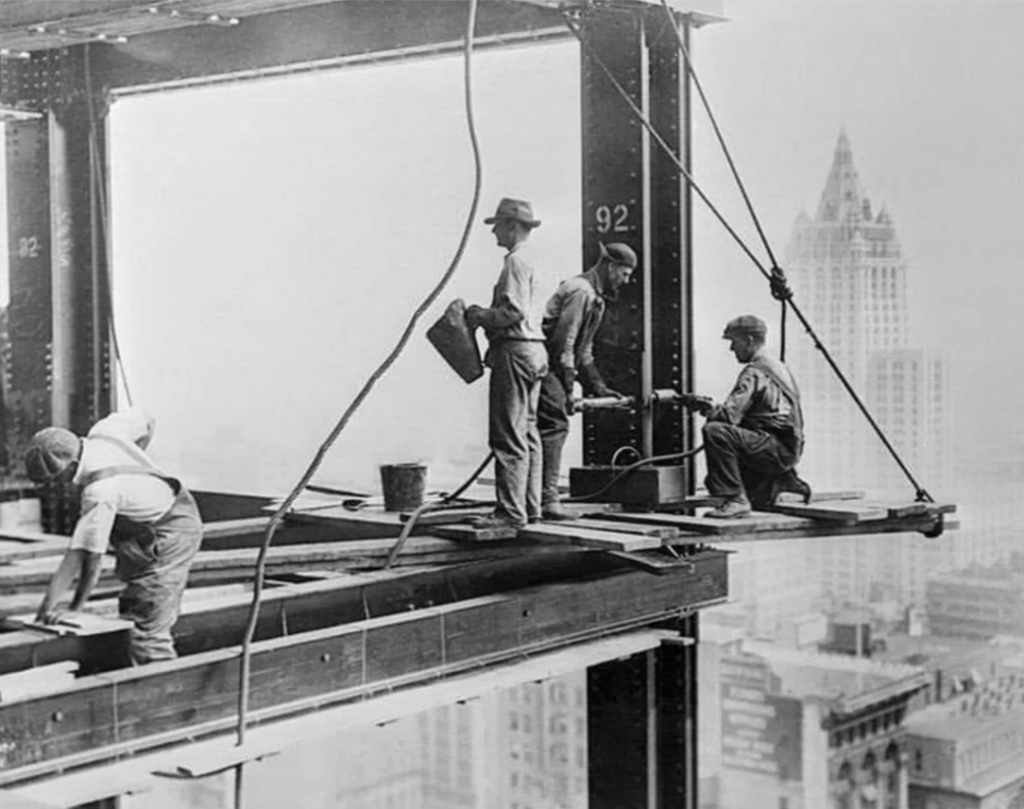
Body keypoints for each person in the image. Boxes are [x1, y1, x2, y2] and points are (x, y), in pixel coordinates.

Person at [26, 409, 203, 665]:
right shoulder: (105, 432)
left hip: (172, 532)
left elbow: (91, 562)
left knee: (145, 625)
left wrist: (74, 609)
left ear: (72, 467)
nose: (55, 487)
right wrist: (45, 610)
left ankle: (164, 687)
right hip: (169, 512)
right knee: (139, 602)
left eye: (54, 480)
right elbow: (147, 419)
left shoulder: (99, 492)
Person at [537, 242, 637, 520]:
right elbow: (563, 345)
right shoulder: (581, 291)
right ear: (611, 266)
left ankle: (536, 495)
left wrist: (599, 387)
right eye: (624, 274)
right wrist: (569, 390)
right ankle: (547, 499)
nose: (626, 281)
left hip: (554, 362)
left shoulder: (596, 298)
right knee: (556, 422)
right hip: (543, 362)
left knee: (545, 425)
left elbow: (584, 351)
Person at [465, 198, 548, 529]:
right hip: (536, 353)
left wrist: (479, 316)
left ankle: (510, 514)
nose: (494, 231)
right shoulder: (535, 261)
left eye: (497, 225)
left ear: (513, 226)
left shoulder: (515, 262)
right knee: (528, 433)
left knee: (508, 435)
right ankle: (532, 507)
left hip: (514, 350)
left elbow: (513, 312)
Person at [688, 315, 810, 518]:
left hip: (775, 449)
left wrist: (708, 408)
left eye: (734, 342)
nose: (731, 349)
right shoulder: (777, 367)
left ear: (749, 340)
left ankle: (734, 499)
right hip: (788, 449)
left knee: (715, 432)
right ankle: (789, 485)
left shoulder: (754, 372)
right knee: (714, 479)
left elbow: (728, 417)